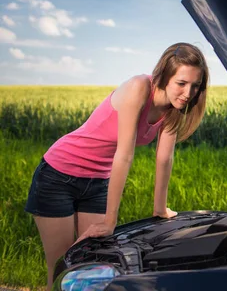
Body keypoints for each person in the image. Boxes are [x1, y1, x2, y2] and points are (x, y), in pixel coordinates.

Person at [24, 42, 209, 290]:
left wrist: (160, 208)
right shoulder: (138, 87)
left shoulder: (174, 109)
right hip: (59, 174)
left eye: (195, 86)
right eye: (182, 83)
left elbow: (165, 158)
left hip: (97, 182)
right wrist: (110, 220)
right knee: (62, 268)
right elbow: (124, 155)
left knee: (89, 268)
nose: (188, 93)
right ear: (165, 76)